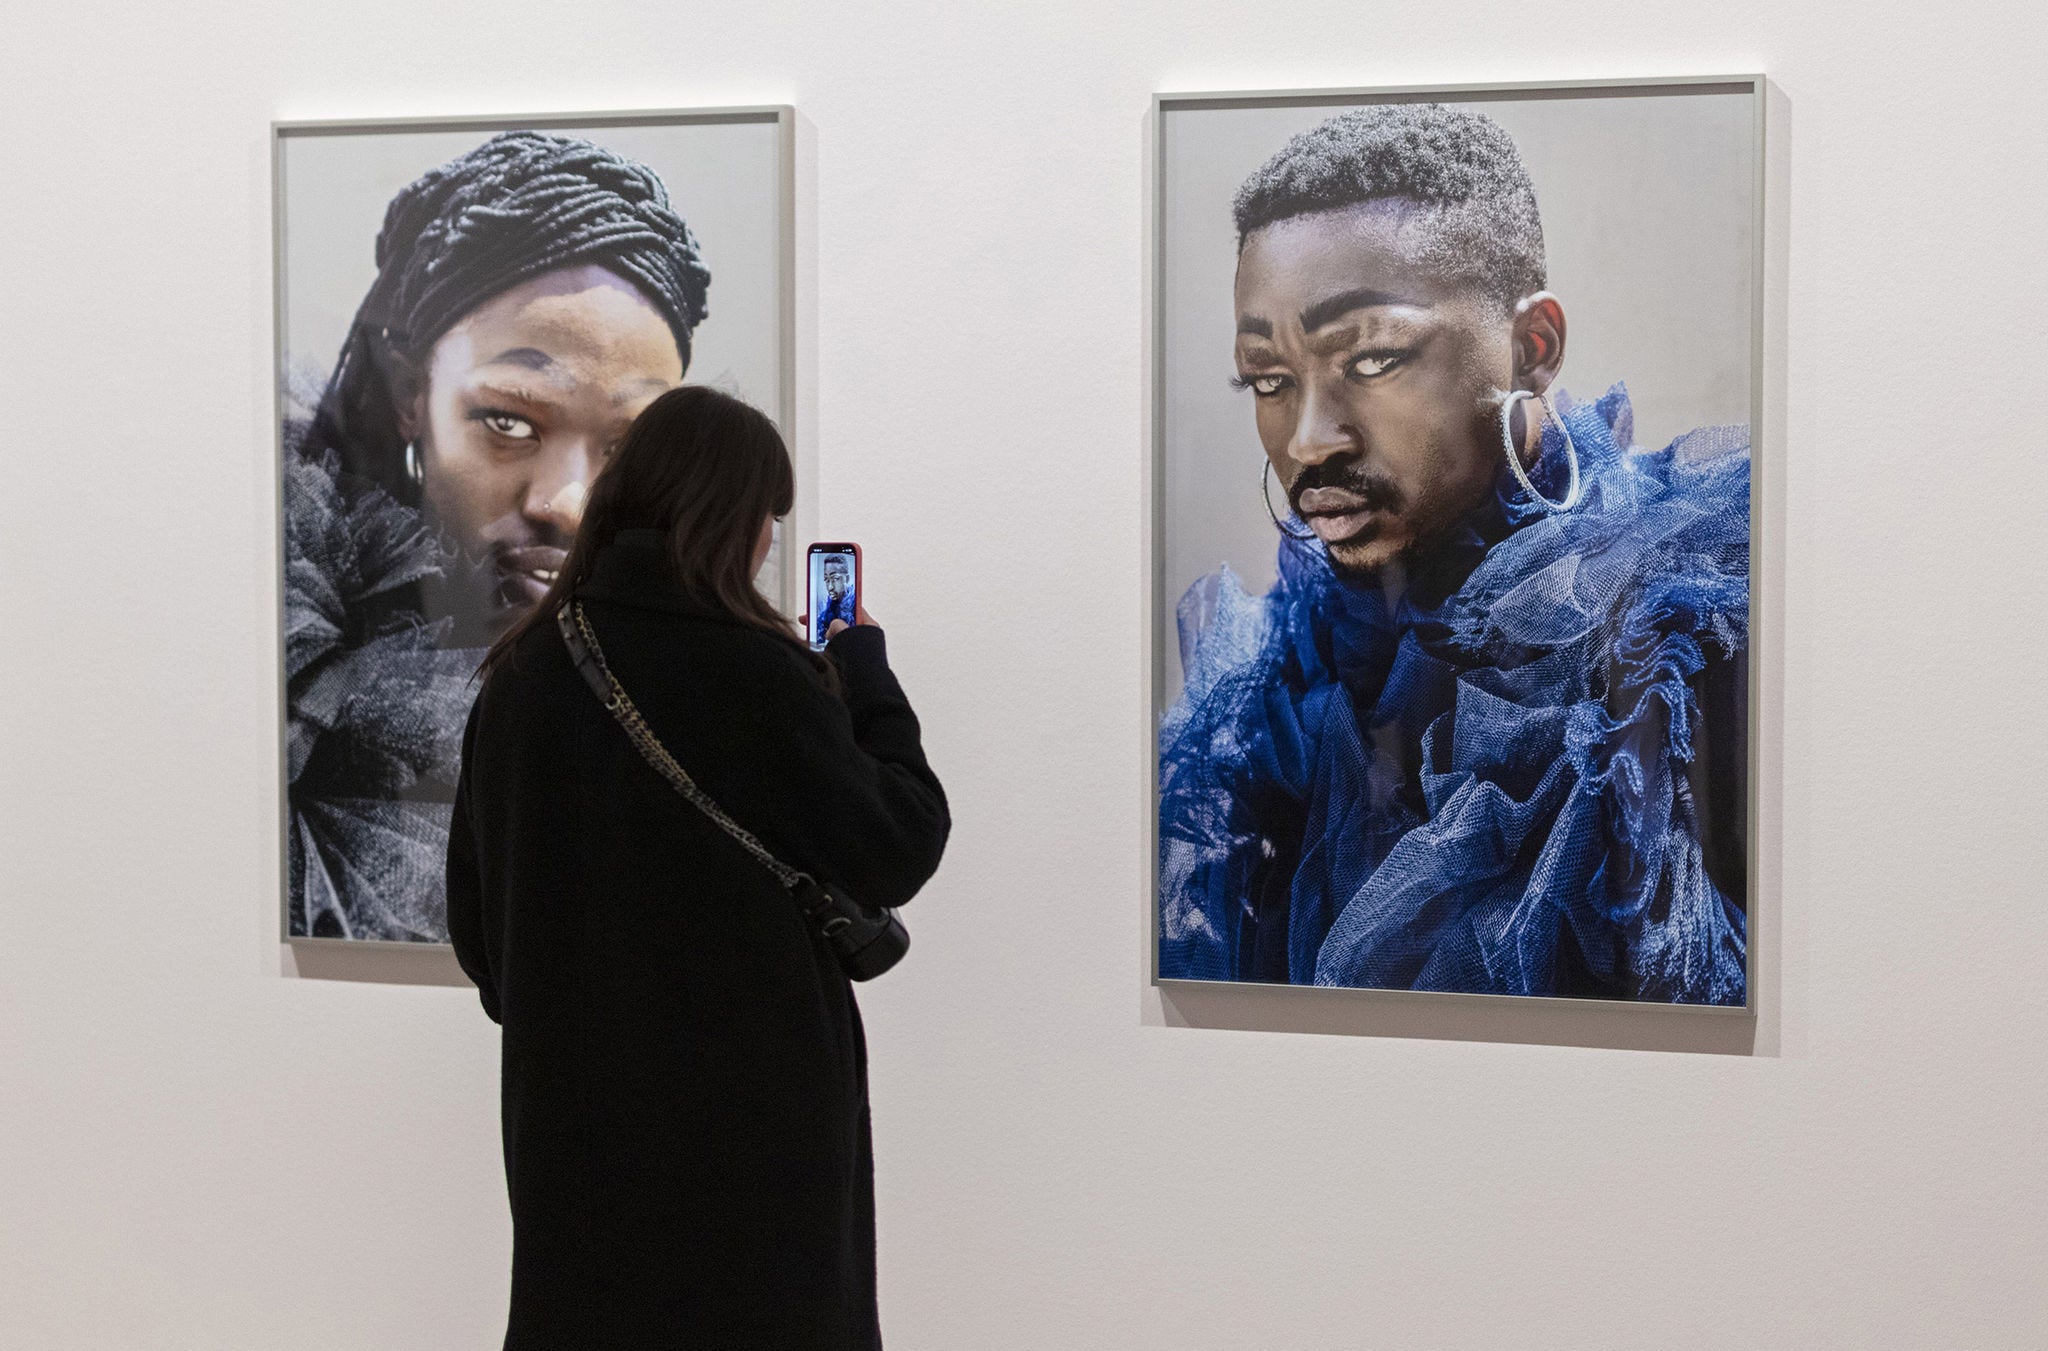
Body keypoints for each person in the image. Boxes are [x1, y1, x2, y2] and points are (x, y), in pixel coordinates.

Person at [1159, 103, 1749, 1004]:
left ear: (1533, 346)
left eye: (1372, 359)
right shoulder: (1271, 692)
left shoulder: (1673, 624)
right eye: (1268, 380)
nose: (1308, 439)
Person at [447, 385, 949, 1349]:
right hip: (758, 1139)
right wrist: (864, 664)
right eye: (766, 515)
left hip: (573, 1137)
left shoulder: (520, 674)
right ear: (729, 516)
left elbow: (483, 942)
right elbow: (901, 837)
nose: (766, 541)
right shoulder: (759, 672)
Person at [284, 130, 713, 940]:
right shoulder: (300, 656)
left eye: (631, 448)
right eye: (509, 421)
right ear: (414, 393)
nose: (570, 502)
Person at [814, 553, 857, 646]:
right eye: (827, 579)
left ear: (847, 578)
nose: (830, 587)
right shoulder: (824, 612)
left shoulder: (855, 610)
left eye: (835, 579)